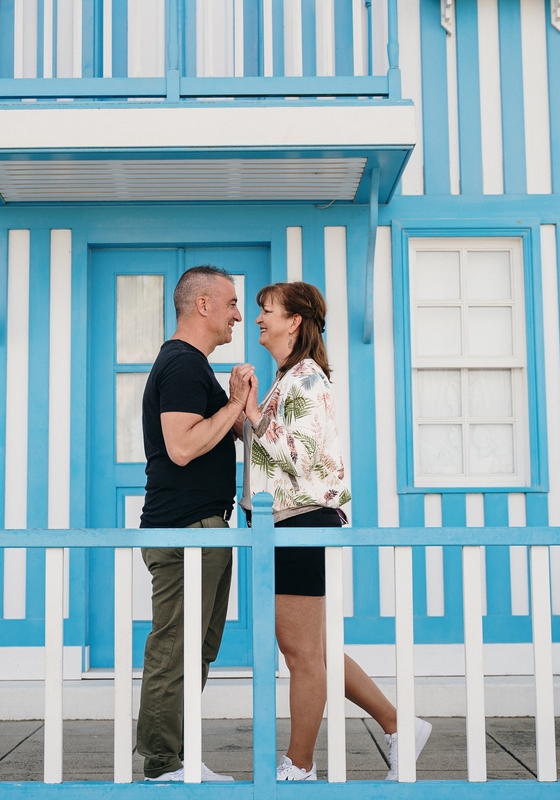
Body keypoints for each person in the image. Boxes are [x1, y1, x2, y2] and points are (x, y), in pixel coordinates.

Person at [240, 281, 432, 781]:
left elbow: (299, 459)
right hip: (292, 521)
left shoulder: (303, 379)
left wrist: (252, 412)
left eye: (267, 311)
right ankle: (397, 724)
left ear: (294, 321)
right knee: (316, 647)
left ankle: (299, 765)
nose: (258, 318)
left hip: (300, 521)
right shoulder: (293, 376)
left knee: (301, 652)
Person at [136, 265, 254, 782]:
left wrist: (234, 405)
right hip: (186, 530)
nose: (237, 314)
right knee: (175, 647)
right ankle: (163, 765)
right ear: (202, 305)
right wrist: (232, 405)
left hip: (204, 528)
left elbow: (222, 433)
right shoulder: (182, 364)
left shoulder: (195, 366)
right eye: (230, 303)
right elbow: (182, 447)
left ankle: (178, 760)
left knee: (197, 649)